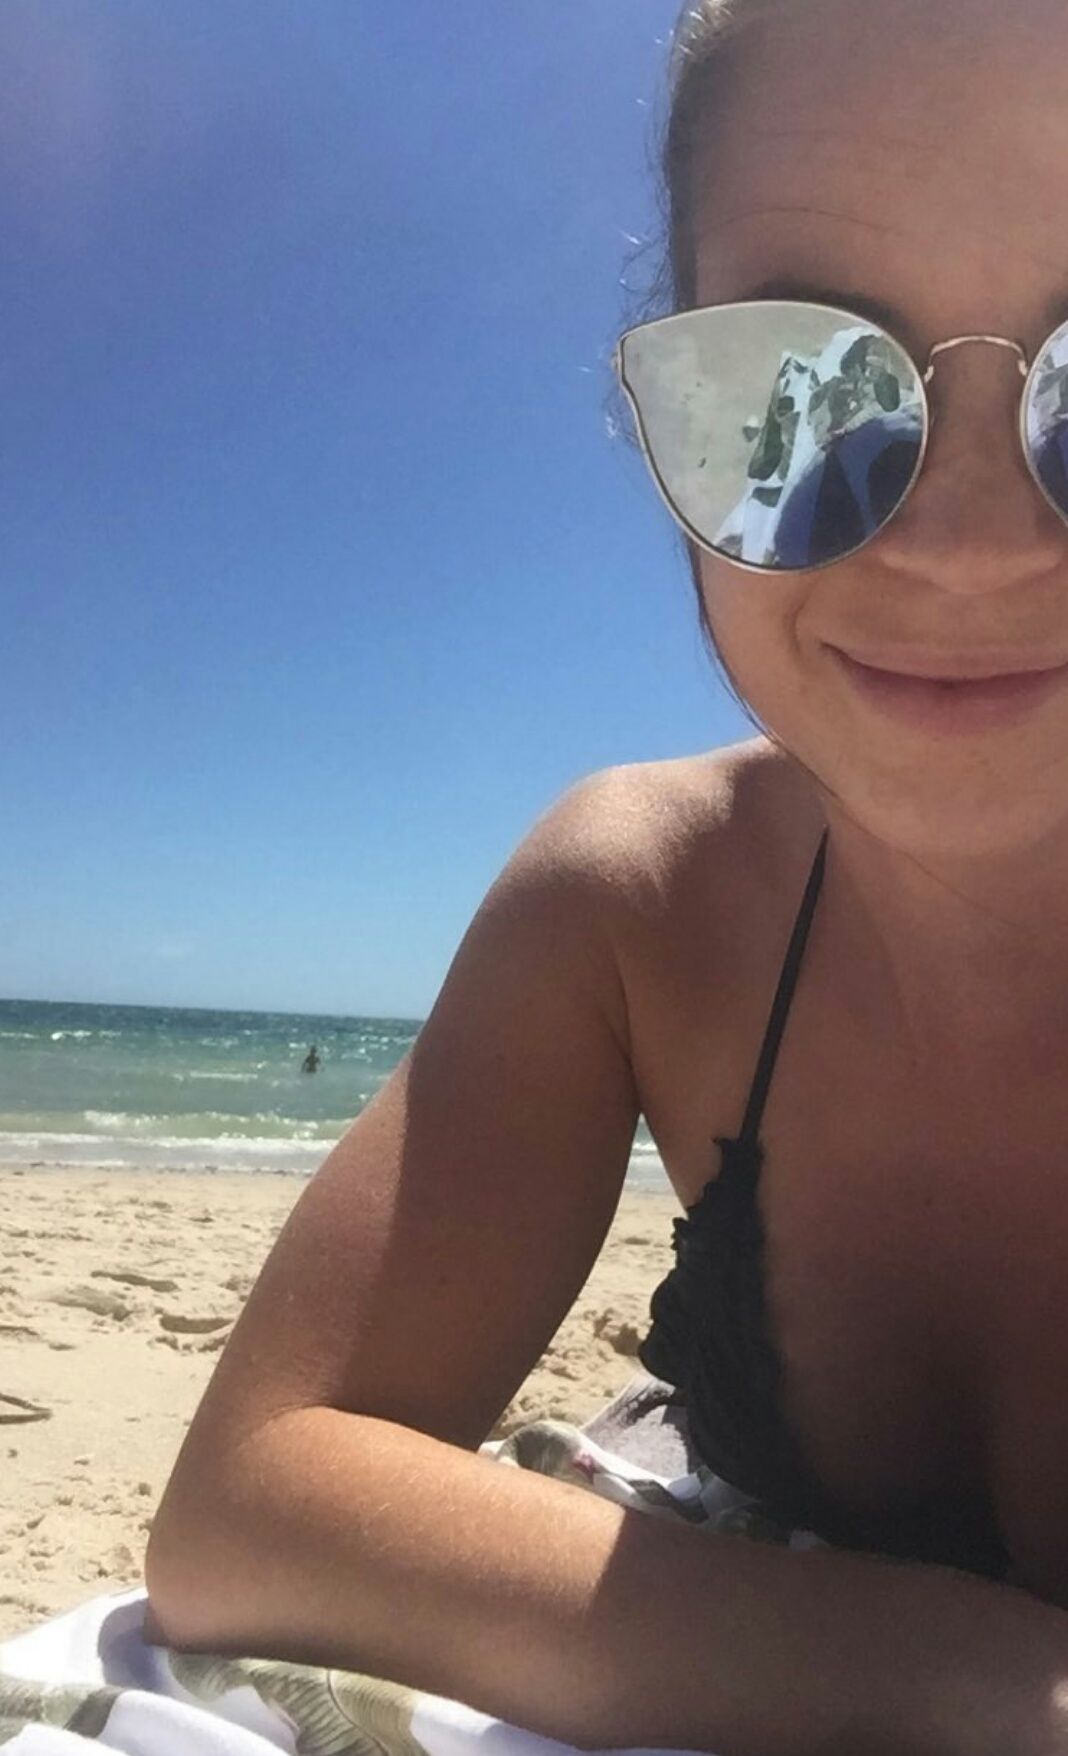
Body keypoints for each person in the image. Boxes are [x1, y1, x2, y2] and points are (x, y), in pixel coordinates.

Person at [143, 2, 1068, 1750]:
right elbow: (251, 1505)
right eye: (801, 399)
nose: (959, 545)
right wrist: (979, 1684)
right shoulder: (637, 903)